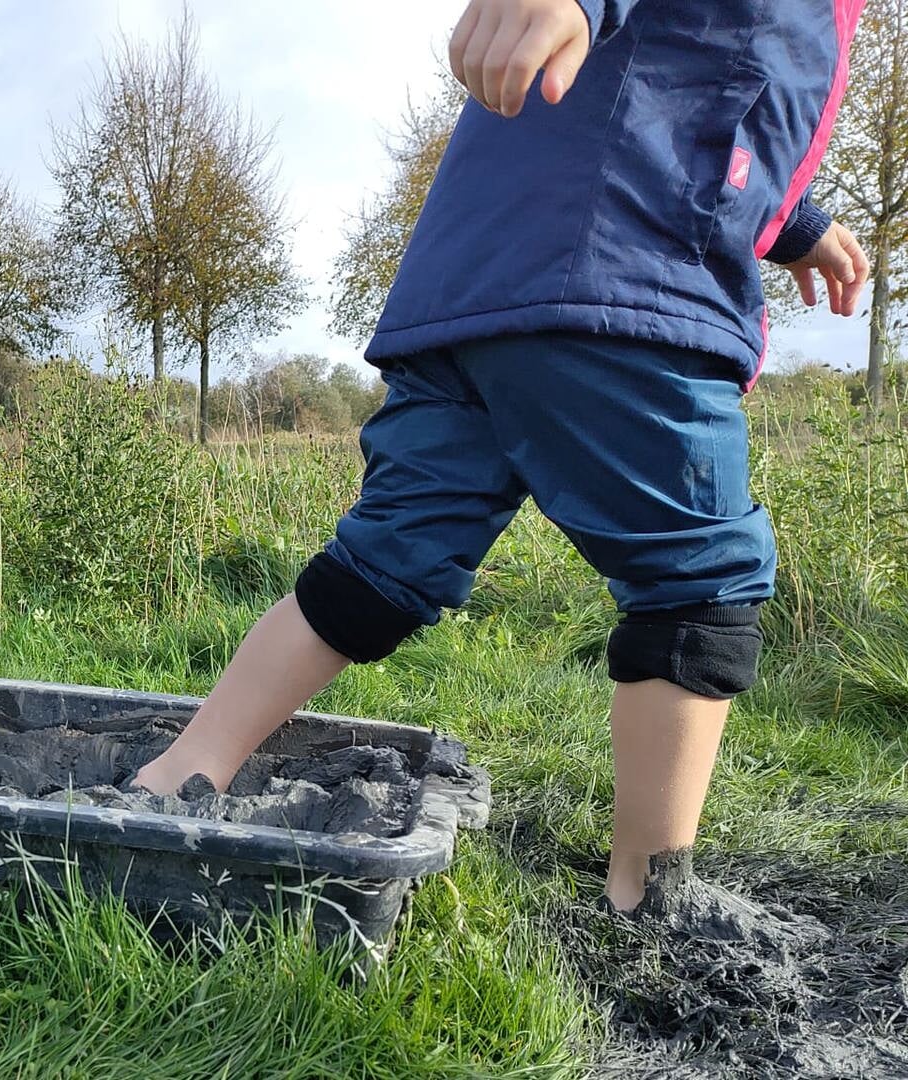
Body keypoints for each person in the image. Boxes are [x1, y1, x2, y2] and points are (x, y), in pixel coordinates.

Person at [136, 0, 870, 915]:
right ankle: (651, 905)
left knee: (379, 567)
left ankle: (174, 777)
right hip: (624, 270)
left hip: (470, 285)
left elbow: (711, 76)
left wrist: (794, 218)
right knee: (700, 587)